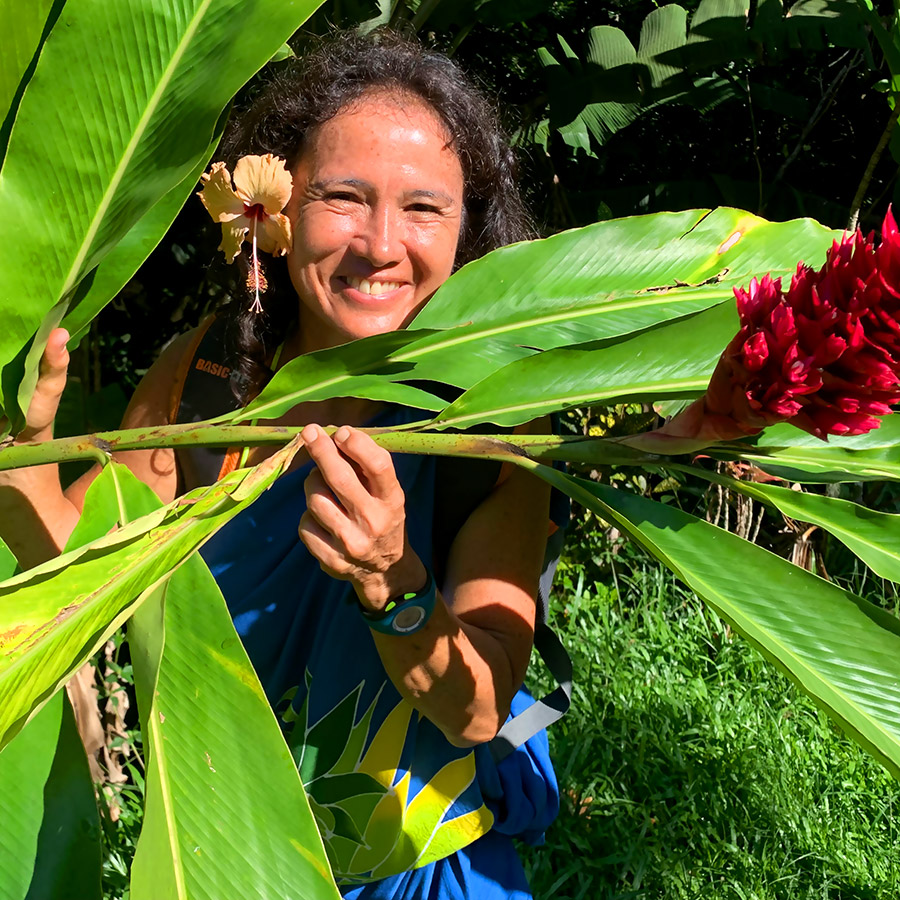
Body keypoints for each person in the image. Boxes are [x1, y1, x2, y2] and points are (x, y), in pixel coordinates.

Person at [0, 30, 561, 899]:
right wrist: (22, 457)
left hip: (413, 874)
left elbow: (482, 705)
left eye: (422, 209)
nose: (380, 245)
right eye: (343, 197)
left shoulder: (484, 434)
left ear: (468, 236)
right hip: (223, 851)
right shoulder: (209, 377)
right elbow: (78, 565)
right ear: (280, 208)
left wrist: (395, 581)